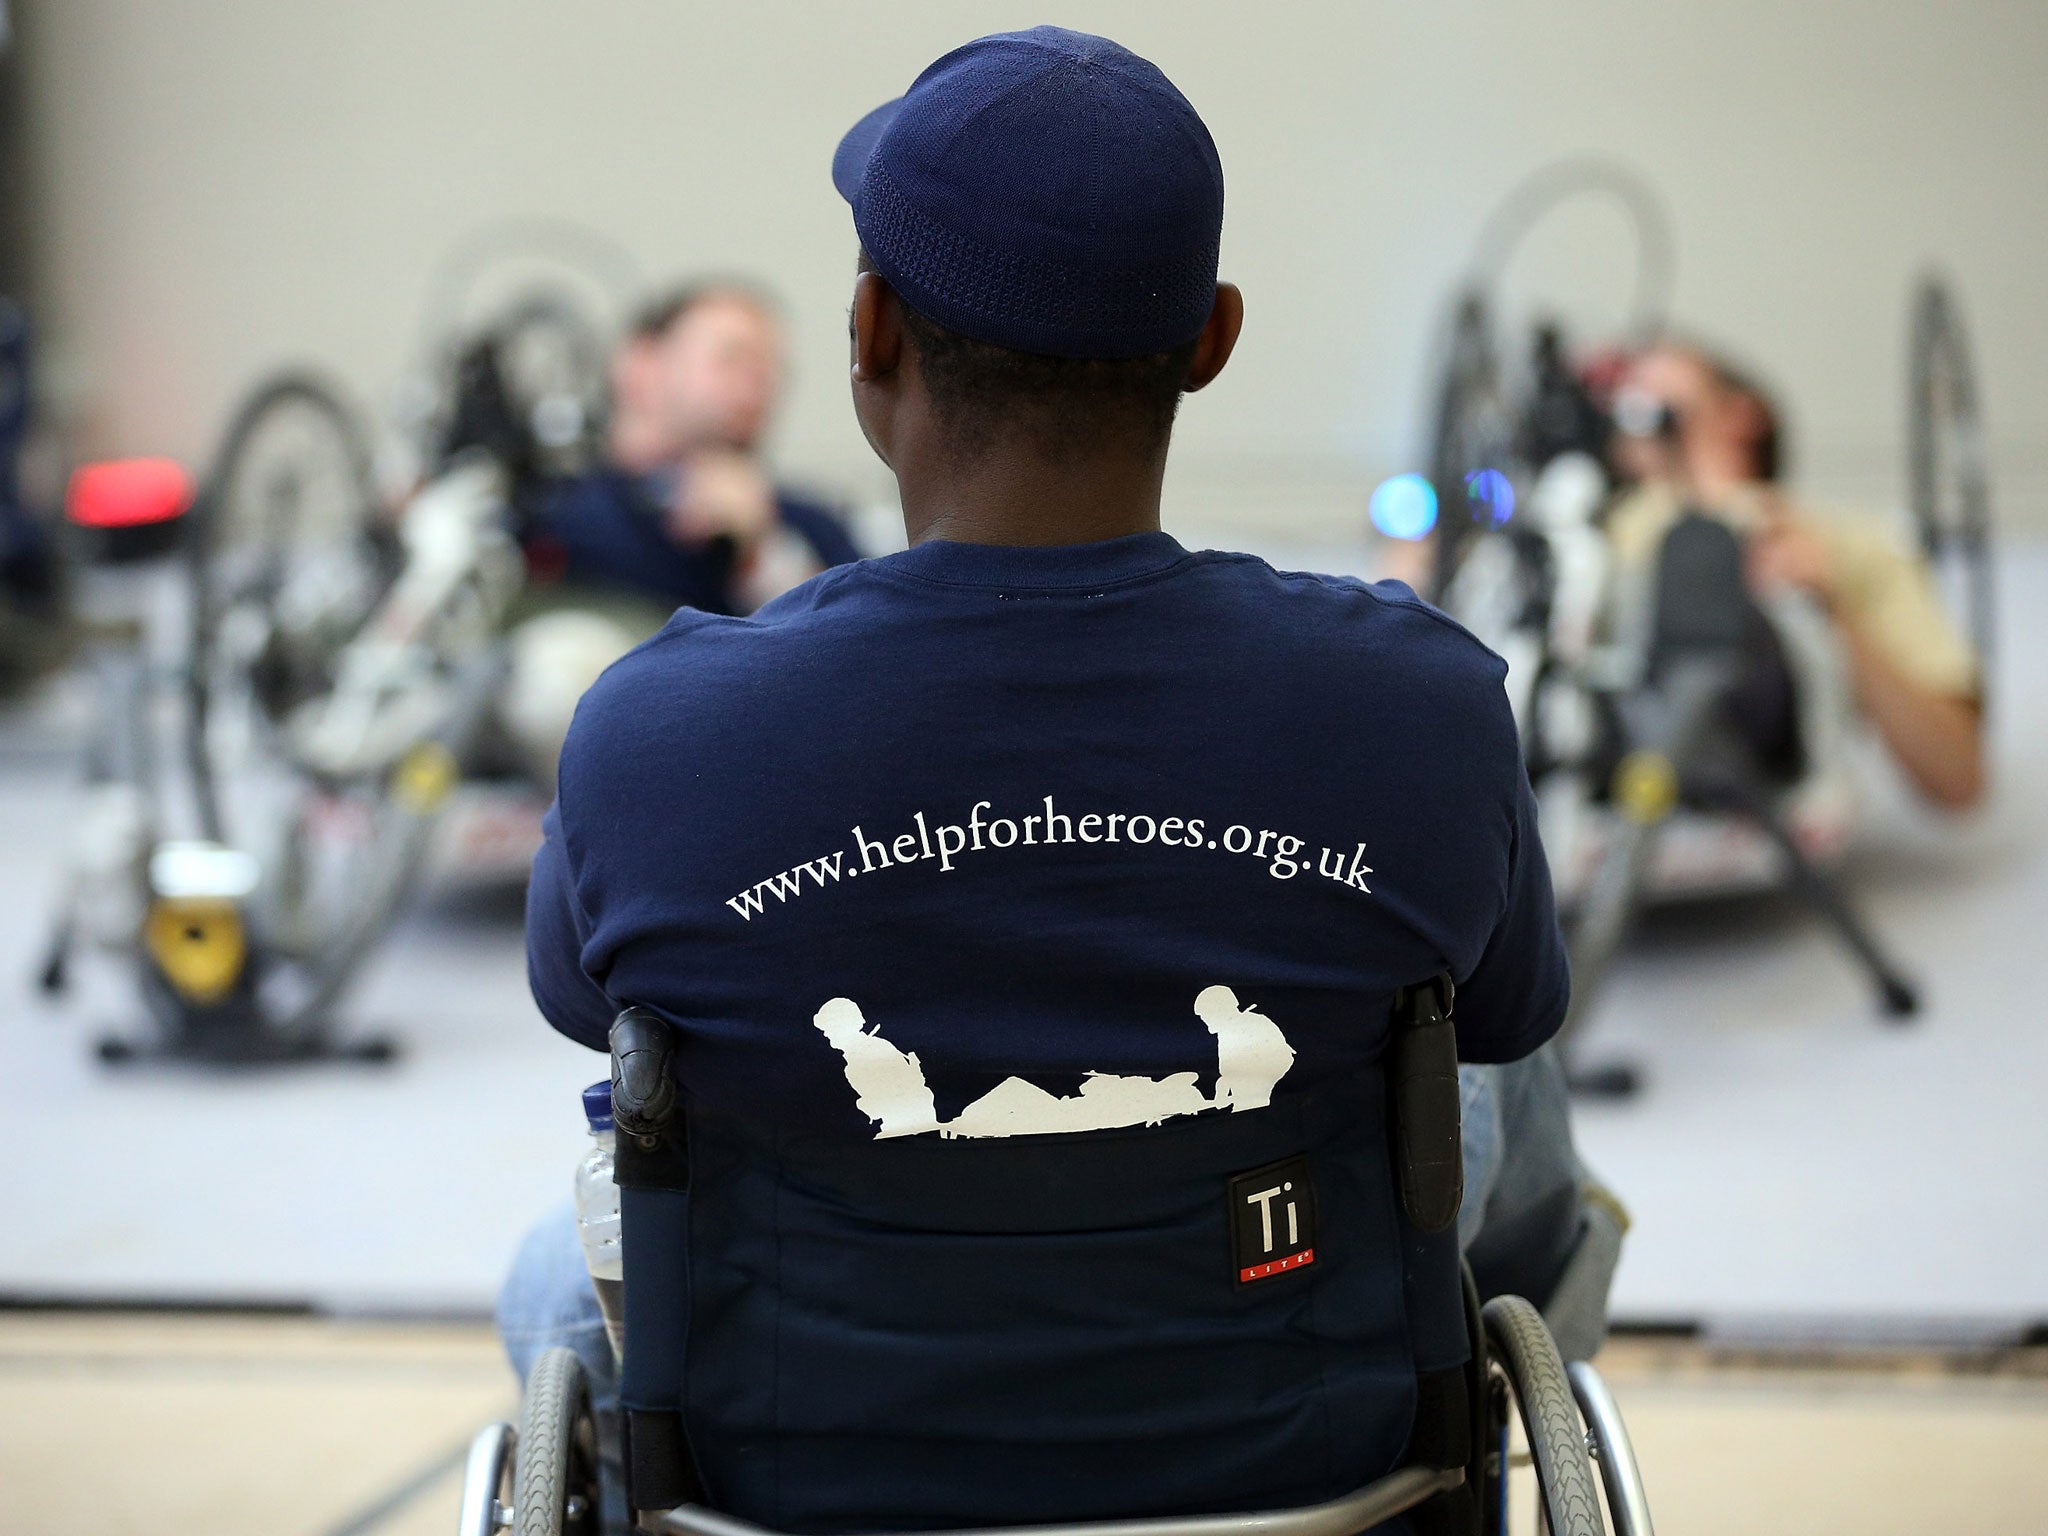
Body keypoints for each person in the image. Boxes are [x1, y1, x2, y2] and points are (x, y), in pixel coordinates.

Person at [508, 27, 1603, 1531]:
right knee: (1494, 1037)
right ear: (1213, 339)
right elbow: (1508, 1021)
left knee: (552, 1258)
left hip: (806, 1464)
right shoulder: (1420, 701)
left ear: (872, 333)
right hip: (1308, 1456)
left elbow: (584, 1003)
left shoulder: (653, 730)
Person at [497, 284, 863, 786]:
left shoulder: (805, 525)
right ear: (640, 364)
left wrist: (758, 552)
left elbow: (858, 670)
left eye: (771, 370)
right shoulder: (540, 505)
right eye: (733, 357)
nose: (758, 384)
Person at [1606, 342, 1986, 809]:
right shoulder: (1588, 533)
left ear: (1742, 414)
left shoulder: (1849, 545)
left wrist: (1833, 612)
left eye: (1652, 377)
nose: (1628, 391)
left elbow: (1959, 779)